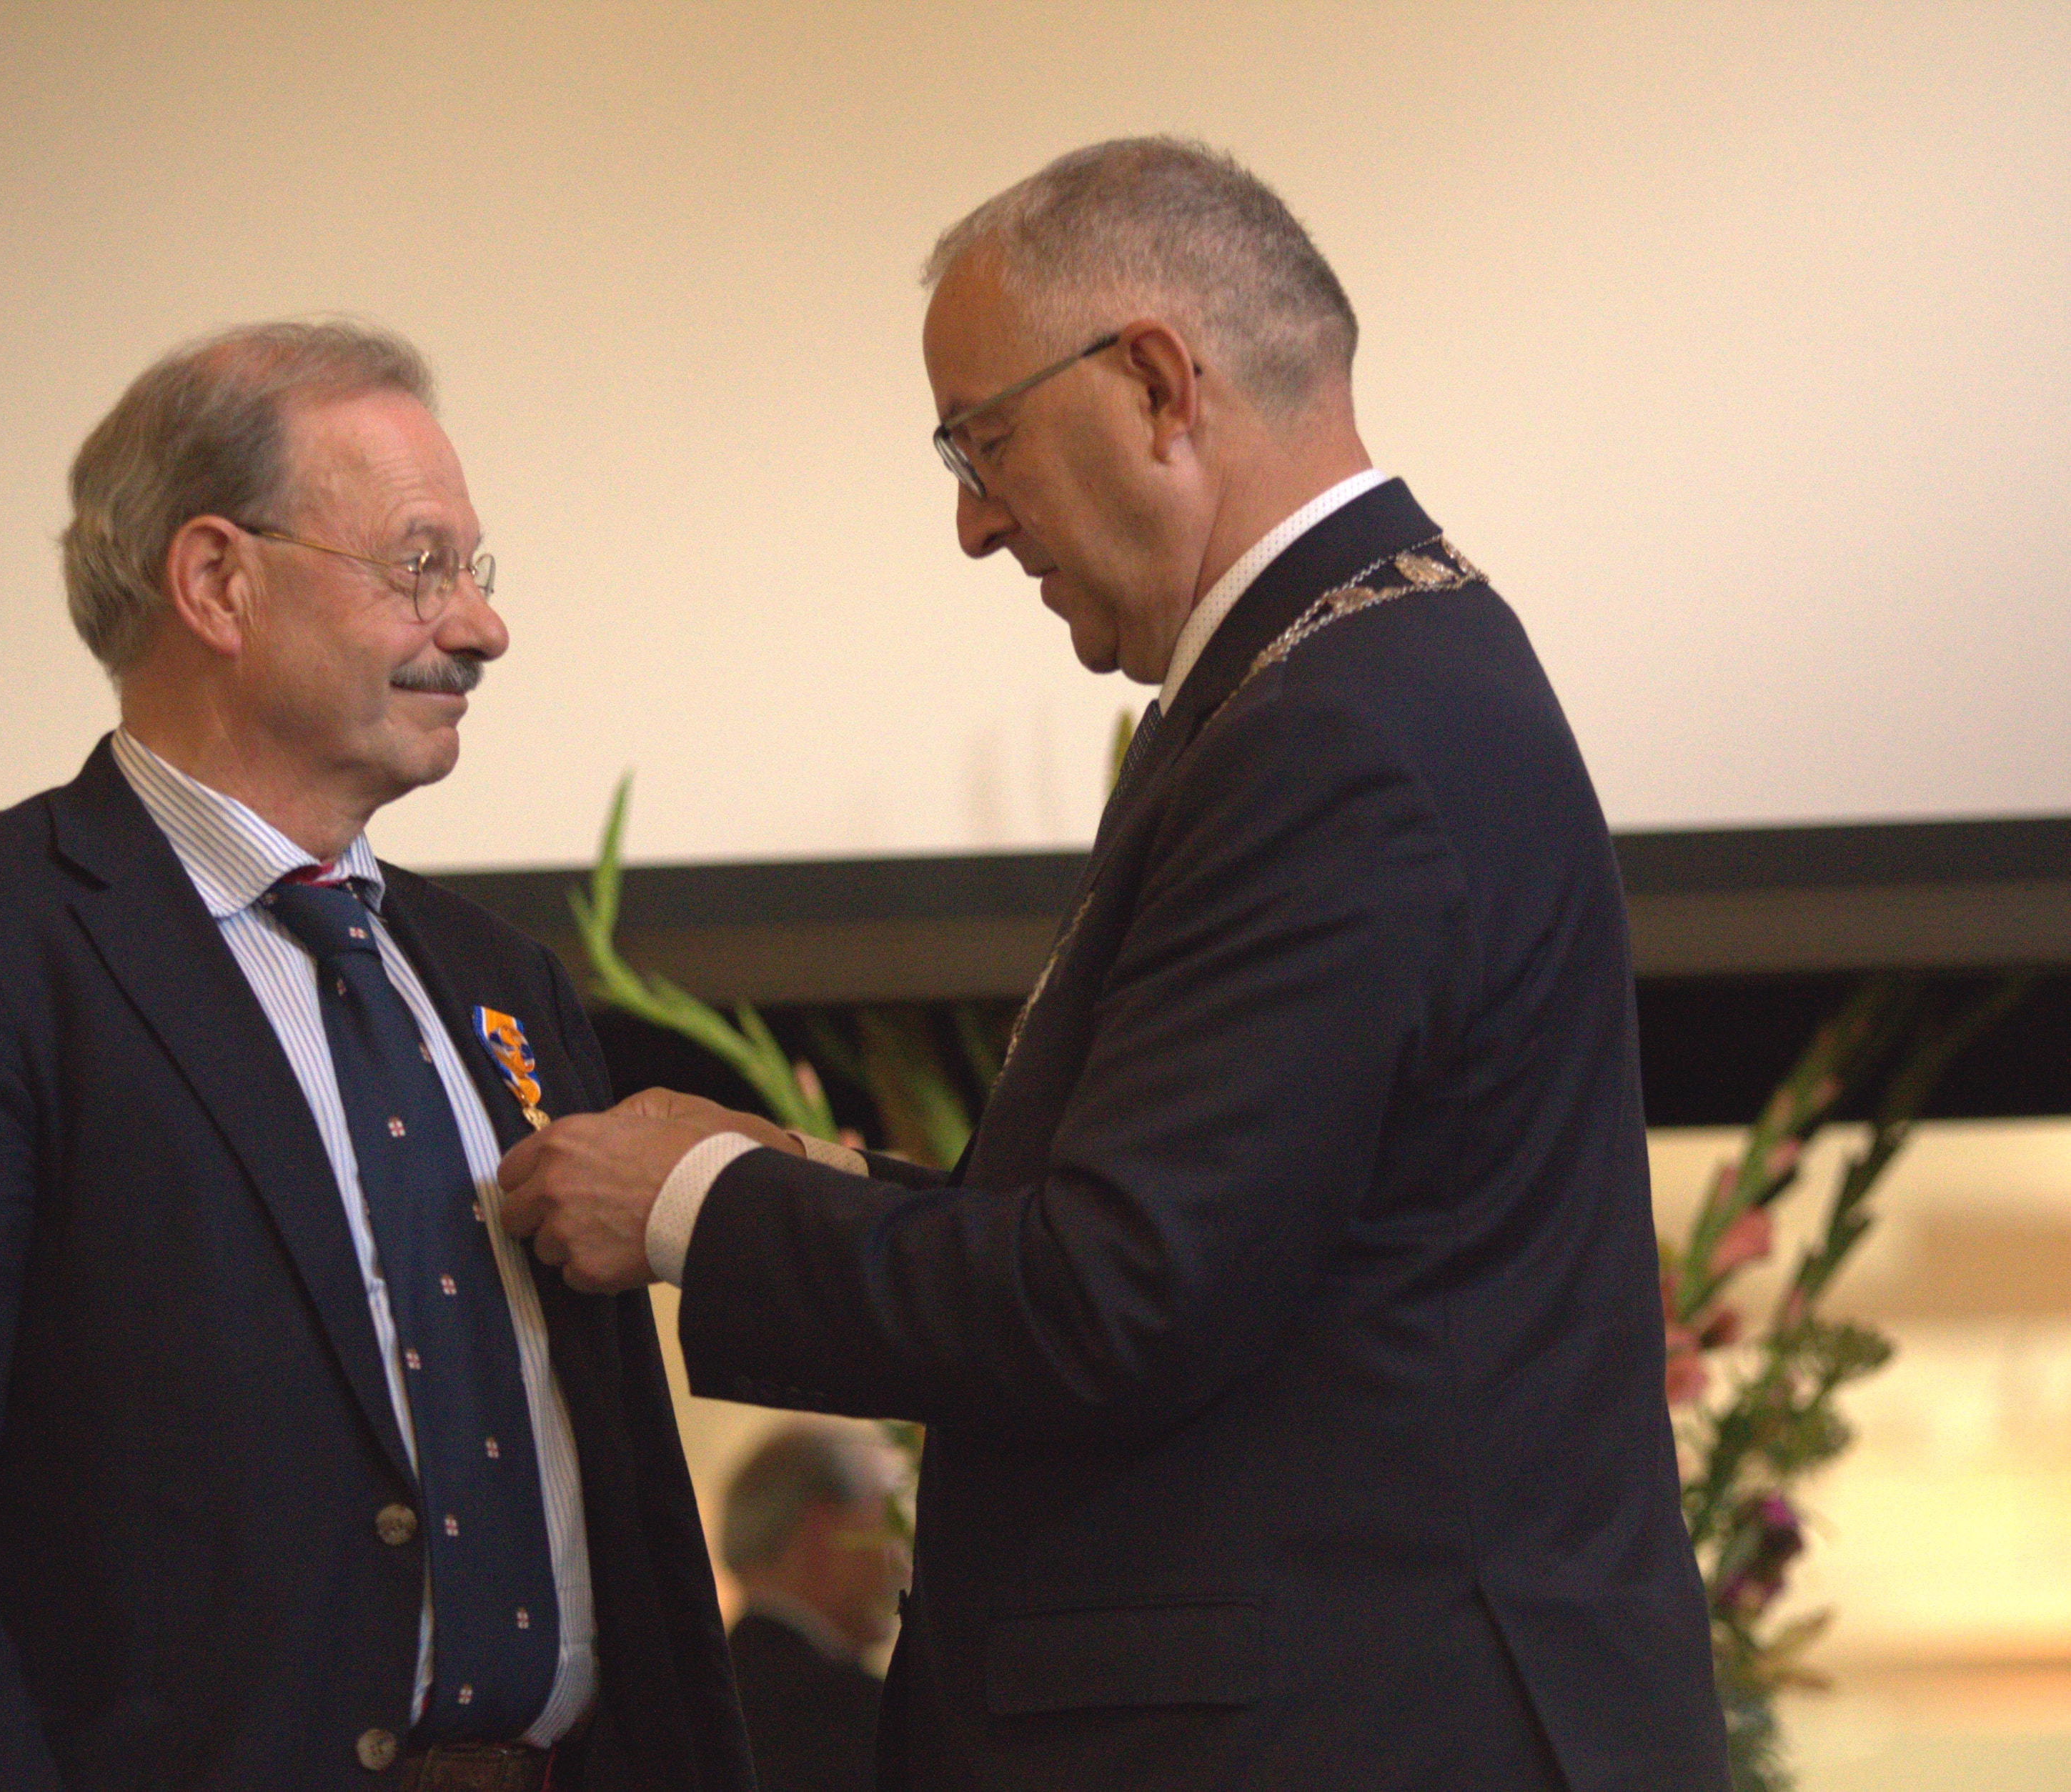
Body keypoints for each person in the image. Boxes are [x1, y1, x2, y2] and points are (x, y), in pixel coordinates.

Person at [498, 139, 1732, 1791]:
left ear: (1154, 381)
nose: (969, 520)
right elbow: (1211, 1240)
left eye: (977, 438)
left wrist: (692, 1208)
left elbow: (1121, 1295)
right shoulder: (1349, 675)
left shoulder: (1334, 729)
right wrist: (821, 1179)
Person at [0, 321, 751, 1792]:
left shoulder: (502, 984)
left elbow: (633, 1516)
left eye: (480, 571)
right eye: (422, 564)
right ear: (217, 580)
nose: (480, 628)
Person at [718, 1423, 904, 1792]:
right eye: (892, 1523)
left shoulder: (688, 1700)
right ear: (826, 1536)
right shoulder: (869, 1719)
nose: (906, 1561)